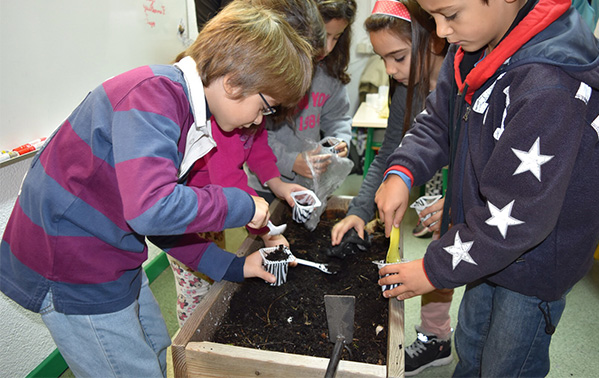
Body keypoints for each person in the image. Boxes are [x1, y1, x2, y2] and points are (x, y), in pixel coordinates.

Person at [0, 2, 313, 376]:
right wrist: (242, 205)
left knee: (158, 350)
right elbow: (152, 208)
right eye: (265, 108)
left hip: (113, 254)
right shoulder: (154, 96)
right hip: (72, 269)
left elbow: (161, 223)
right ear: (233, 83)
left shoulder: (187, 112)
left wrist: (236, 266)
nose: (260, 120)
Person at [375, 0, 599, 376]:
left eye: (450, 15)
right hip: (483, 245)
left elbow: (521, 215)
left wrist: (433, 269)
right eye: (433, 18)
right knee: (472, 344)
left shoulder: (551, 85)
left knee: (506, 363)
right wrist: (402, 171)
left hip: (533, 266)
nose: (442, 32)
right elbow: (438, 120)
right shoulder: (472, 46)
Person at [167, 0, 327, 327]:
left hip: (213, 206)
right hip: (188, 213)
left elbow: (257, 146)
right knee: (198, 291)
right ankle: (194, 341)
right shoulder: (221, 116)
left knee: (213, 267)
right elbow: (229, 181)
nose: (261, 118)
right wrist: (266, 230)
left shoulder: (244, 108)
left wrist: (276, 182)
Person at [330, 1, 451, 375]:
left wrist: (458, 201)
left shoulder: (464, 80)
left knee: (444, 251)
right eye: (384, 59)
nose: (389, 70)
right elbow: (387, 158)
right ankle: (437, 337)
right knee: (439, 247)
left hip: (480, 201)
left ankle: (436, 337)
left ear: (430, 39)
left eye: (398, 56)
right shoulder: (406, 90)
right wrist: (358, 211)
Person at [247, 0, 357, 203]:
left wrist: (340, 140)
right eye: (324, 36)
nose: (327, 47)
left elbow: (338, 117)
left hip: (310, 182)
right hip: (265, 182)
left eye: (336, 37)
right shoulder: (276, 71)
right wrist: (290, 161)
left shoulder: (330, 74)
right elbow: (255, 133)